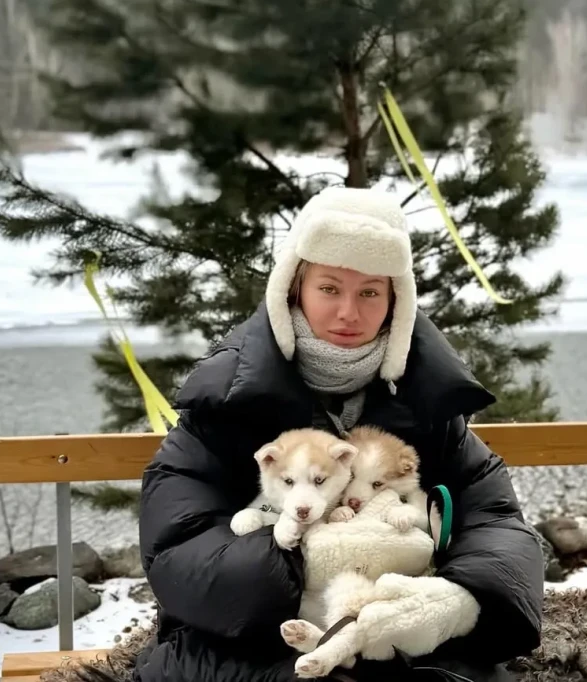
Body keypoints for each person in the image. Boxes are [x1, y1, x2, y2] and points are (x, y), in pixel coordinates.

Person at [134, 186, 544, 682]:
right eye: (329, 288)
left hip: (396, 634)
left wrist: (457, 600)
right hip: (250, 643)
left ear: (396, 302)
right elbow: (179, 548)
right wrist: (316, 559)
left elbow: (495, 519)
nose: (349, 312)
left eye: (370, 292)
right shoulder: (228, 403)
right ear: (293, 289)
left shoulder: (426, 401)